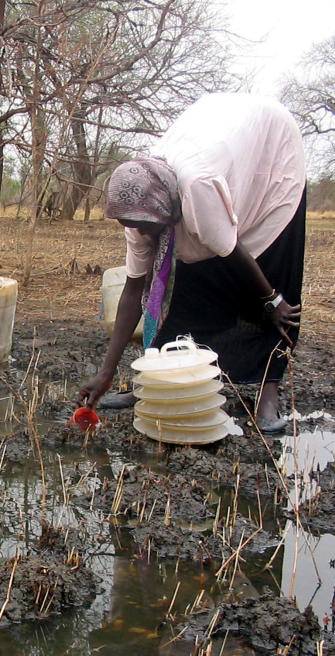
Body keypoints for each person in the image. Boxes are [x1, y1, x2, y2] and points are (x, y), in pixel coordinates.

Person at [78, 93, 306, 435]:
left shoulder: (196, 187)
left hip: (270, 164)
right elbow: (134, 288)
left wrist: (271, 299)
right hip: (219, 152)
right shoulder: (139, 210)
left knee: (265, 290)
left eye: (145, 225)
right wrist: (107, 371)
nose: (138, 231)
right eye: (130, 225)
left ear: (169, 209)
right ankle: (155, 386)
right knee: (188, 288)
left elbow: (231, 250)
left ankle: (267, 394)